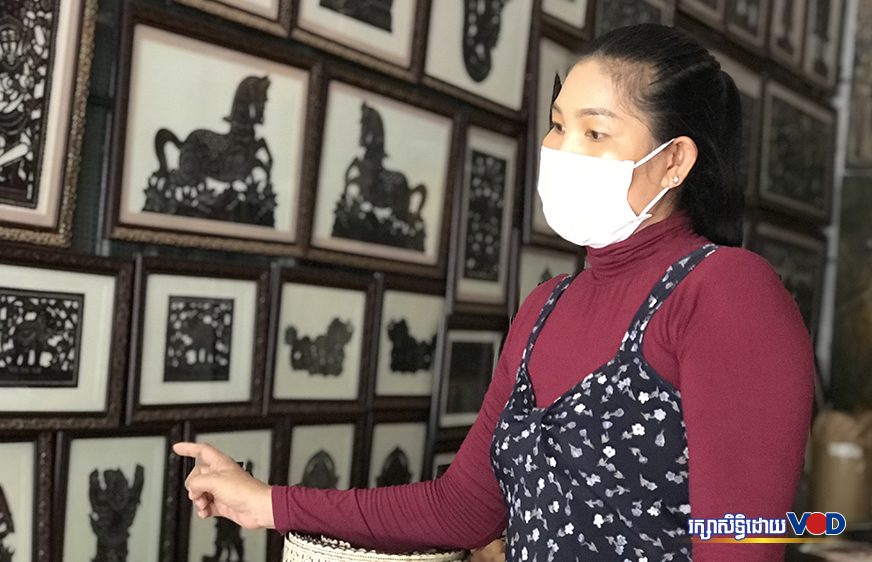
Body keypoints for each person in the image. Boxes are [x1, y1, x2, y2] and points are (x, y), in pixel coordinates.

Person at [174, 24, 814, 561]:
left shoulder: (725, 292)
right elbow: (461, 509)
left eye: (595, 133)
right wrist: (265, 502)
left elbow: (742, 542)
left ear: (674, 161)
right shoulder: (546, 306)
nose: (560, 149)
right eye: (558, 126)